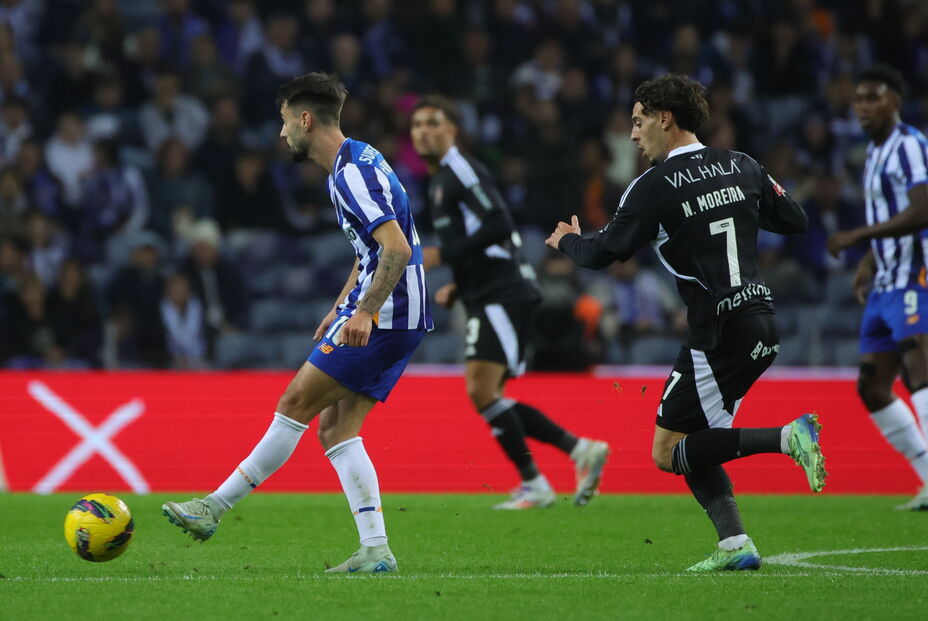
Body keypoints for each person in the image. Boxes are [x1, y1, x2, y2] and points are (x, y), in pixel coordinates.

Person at [546, 74, 824, 571]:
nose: (633, 134)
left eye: (638, 122)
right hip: (761, 321)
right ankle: (735, 545)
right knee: (697, 442)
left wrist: (566, 239)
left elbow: (602, 253)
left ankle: (787, 437)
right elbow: (796, 220)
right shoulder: (742, 165)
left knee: (666, 450)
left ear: (664, 119)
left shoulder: (652, 187)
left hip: (716, 332)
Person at [162, 72, 432, 573]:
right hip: (399, 312)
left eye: (285, 122)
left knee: (294, 403)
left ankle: (212, 508)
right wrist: (342, 303)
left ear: (306, 119)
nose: (281, 134)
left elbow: (395, 247)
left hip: (389, 314)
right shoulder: (355, 161)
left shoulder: (351, 174)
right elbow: (370, 248)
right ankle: (375, 550)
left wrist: (367, 311)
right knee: (336, 428)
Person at [410, 95, 609, 509]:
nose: (423, 131)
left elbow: (500, 222)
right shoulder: (440, 181)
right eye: (417, 125)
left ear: (453, 131)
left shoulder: (459, 170)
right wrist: (459, 287)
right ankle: (569, 456)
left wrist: (443, 258)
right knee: (490, 394)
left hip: (503, 292)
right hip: (487, 291)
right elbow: (480, 240)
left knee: (482, 391)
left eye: (433, 123)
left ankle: (552, 470)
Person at [827, 64, 928, 511]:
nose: (864, 107)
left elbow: (925, 209)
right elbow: (891, 216)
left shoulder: (910, 146)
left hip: (916, 277)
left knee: (920, 365)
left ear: (895, 101)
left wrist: (858, 239)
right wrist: (869, 261)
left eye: (874, 97)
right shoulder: (873, 152)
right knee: (872, 386)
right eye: (859, 100)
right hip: (885, 280)